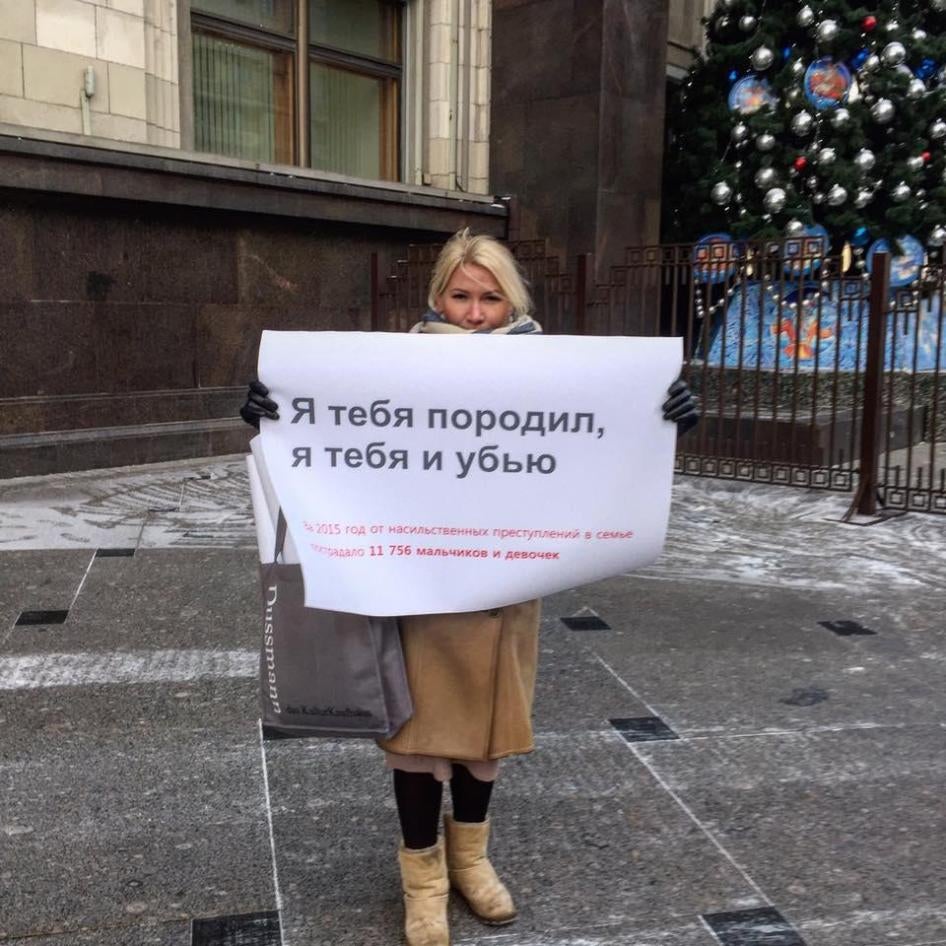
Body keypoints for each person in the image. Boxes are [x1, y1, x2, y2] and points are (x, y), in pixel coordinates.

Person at [240, 230, 698, 946]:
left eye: (490, 297)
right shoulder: (389, 368)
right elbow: (338, 441)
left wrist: (657, 414)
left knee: (486, 737)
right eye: (462, 295)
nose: (476, 312)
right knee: (418, 738)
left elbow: (594, 444)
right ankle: (422, 881)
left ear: (511, 301)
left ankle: (472, 861)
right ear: (438, 296)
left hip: (504, 587)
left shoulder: (555, 372)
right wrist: (278, 414)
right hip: (416, 585)